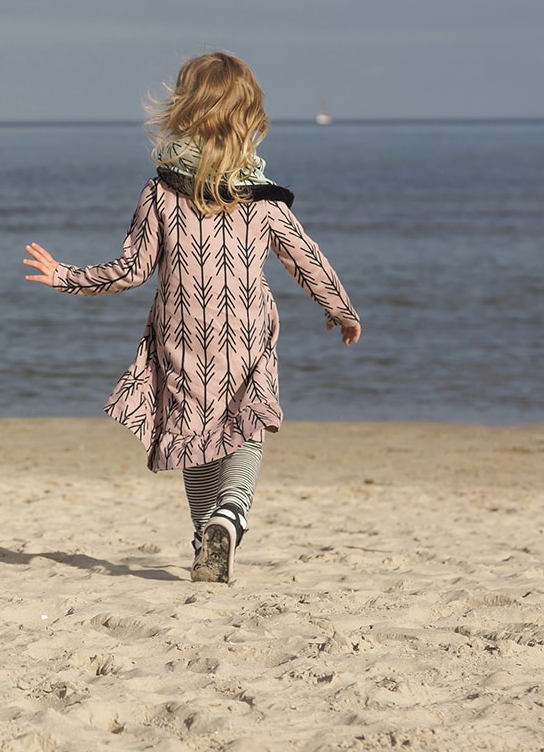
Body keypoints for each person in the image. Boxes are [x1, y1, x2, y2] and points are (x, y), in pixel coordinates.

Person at [23, 51, 360, 583]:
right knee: (248, 431)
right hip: (246, 337)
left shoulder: (160, 193)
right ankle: (230, 515)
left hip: (182, 340)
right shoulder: (265, 203)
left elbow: (131, 271)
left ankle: (206, 535)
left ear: (183, 111)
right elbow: (306, 257)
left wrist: (66, 275)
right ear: (249, 120)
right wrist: (340, 309)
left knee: (195, 438)